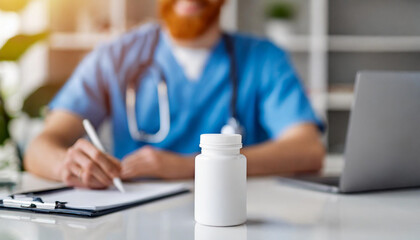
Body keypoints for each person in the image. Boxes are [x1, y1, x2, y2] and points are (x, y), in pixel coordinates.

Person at [24, 0, 325, 189]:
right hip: (133, 217)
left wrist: (188, 166)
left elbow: (308, 150)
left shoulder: (264, 58)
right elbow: (40, 148)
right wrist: (68, 164)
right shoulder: (114, 56)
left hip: (234, 218)